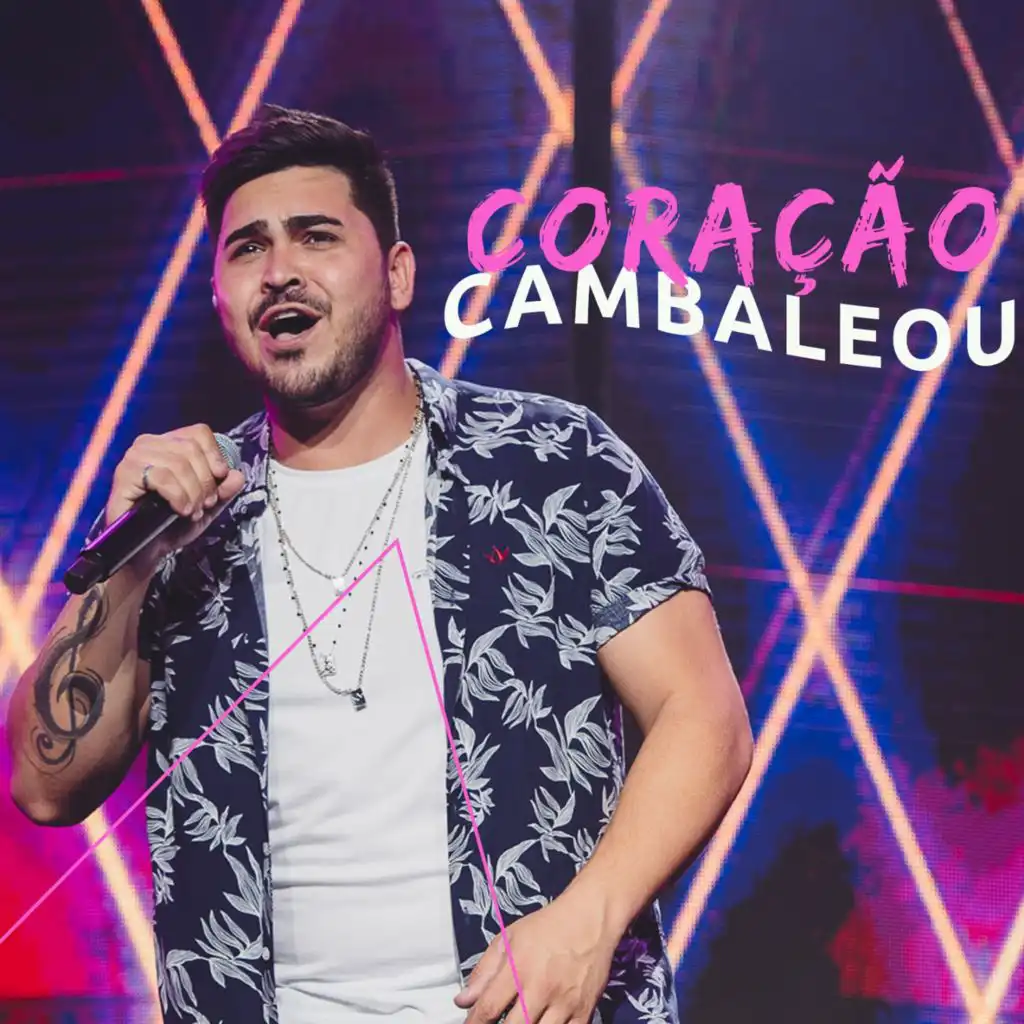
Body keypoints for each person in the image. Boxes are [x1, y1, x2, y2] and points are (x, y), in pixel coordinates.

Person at [8, 105, 752, 1024]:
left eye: (316, 236)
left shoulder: (550, 461)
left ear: (396, 273)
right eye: (247, 248)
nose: (279, 270)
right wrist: (129, 560)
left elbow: (704, 716)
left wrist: (587, 920)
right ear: (220, 298)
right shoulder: (184, 520)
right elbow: (43, 787)